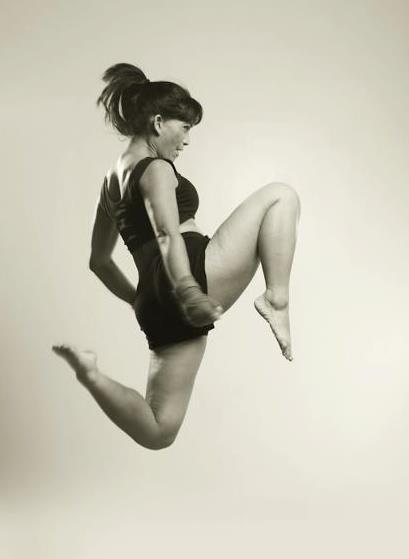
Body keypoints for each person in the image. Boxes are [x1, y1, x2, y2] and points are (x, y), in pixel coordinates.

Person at [52, 63, 301, 450]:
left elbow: (98, 262)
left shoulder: (110, 183)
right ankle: (277, 299)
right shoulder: (156, 168)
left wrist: (139, 299)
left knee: (159, 429)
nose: (186, 141)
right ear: (158, 122)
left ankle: (91, 376)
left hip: (153, 301)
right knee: (281, 195)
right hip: (189, 274)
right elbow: (168, 234)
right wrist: (187, 290)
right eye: (184, 128)